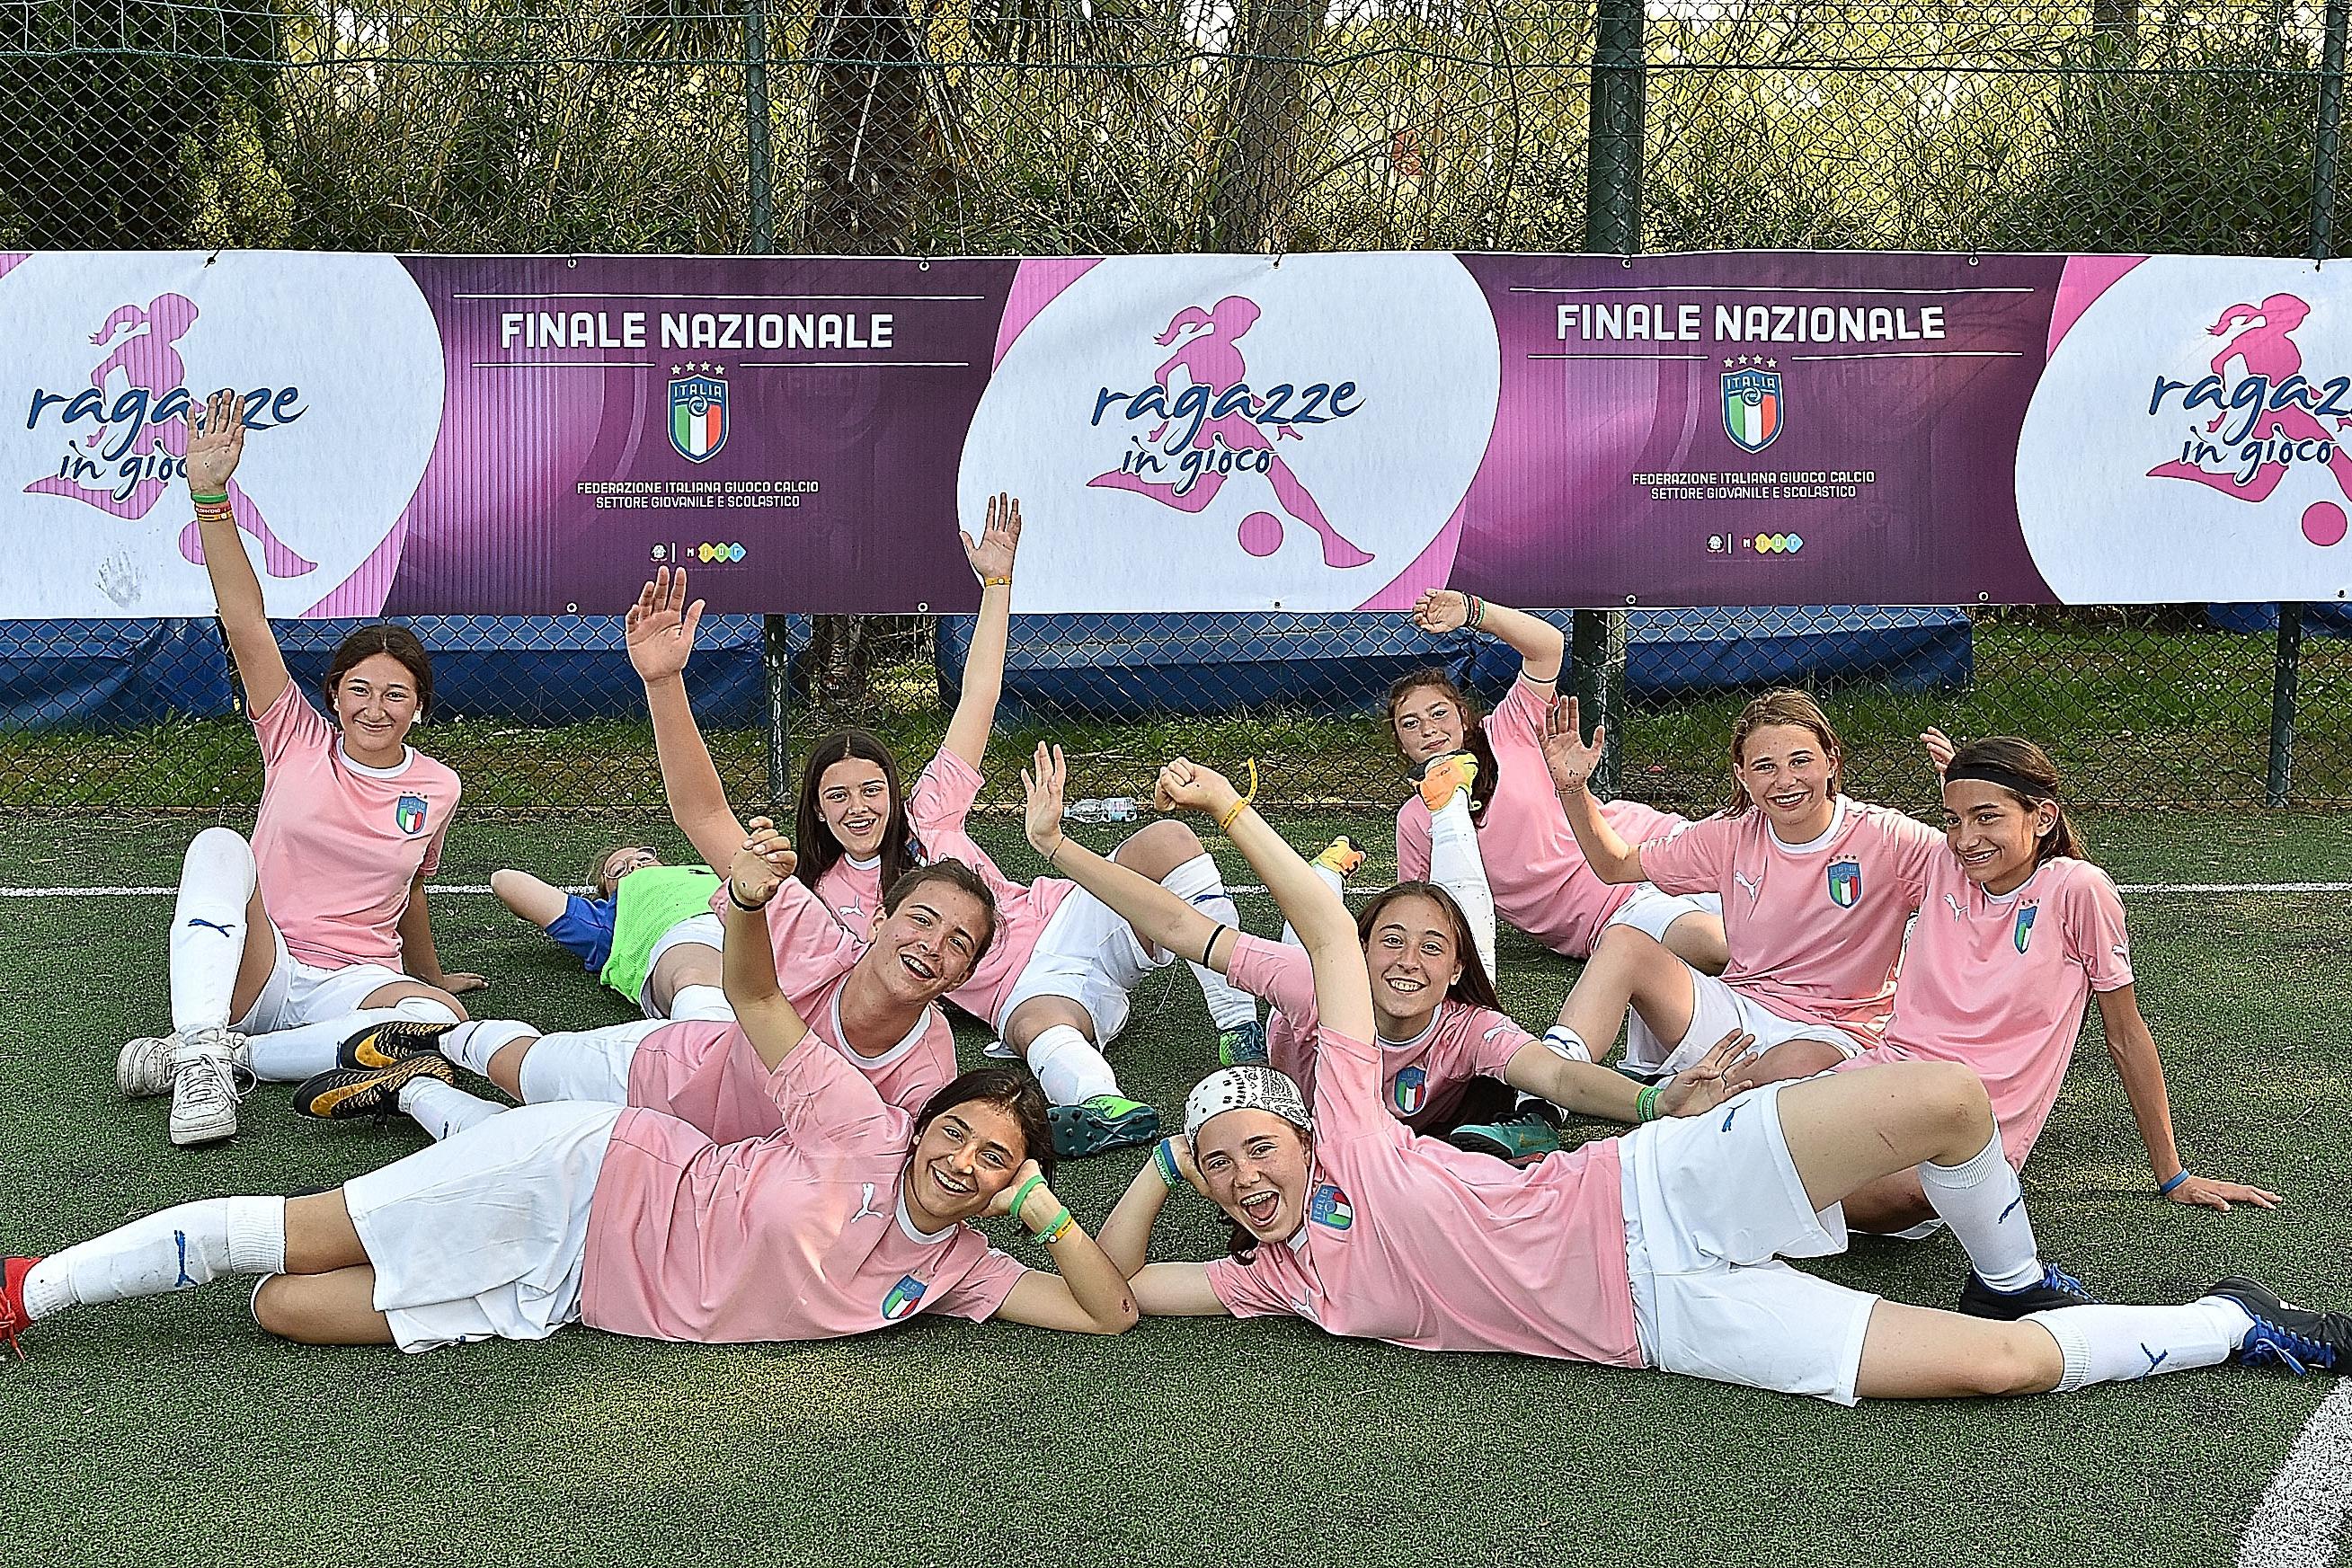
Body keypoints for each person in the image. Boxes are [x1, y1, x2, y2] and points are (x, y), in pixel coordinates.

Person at [1080, 758, 2348, 1403]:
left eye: (1262, 1145)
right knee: (1999, 1375)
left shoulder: (1351, 1121)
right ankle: (2235, 1321)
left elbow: (1311, 910)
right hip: (1663, 1331)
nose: (1251, 1176)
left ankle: (2010, 1277)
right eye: (1226, 1165)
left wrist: (1223, 810)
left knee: (1952, 1101)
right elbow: (1120, 1283)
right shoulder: (1270, 1279)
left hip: (1654, 1193)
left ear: (1306, 1136)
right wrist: (1164, 1158)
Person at [1, 823, 1136, 1355]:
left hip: (567, 1295)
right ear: (918, 1125)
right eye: (959, 1139)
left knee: (283, 1312)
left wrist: (1038, 1204)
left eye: (991, 1161)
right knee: (297, 1237)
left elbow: (1105, 1306)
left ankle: (410, 1092)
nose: (960, 1162)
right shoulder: (856, 1122)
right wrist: (741, 900)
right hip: (594, 1166)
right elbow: (756, 1003)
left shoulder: (957, 1266)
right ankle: (29, 1286)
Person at [625, 493, 1259, 1157]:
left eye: (872, 789)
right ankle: (1097, 1105)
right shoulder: (817, 902)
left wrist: (996, 583)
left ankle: (1239, 1025)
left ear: (895, 794)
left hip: (1073, 918)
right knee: (1045, 1032)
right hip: (1022, 991)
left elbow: (980, 692)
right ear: (815, 809)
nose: (858, 806)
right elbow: (705, 817)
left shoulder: (931, 812)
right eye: (836, 796)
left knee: (1168, 842)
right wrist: (664, 682)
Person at [1018, 745, 1731, 1156]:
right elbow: (1179, 926)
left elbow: (1562, 1075)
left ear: (1455, 972)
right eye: (1389, 940)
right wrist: (1057, 846)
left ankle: (1519, 1129)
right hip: (1318, 1119)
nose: (1407, 960)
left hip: (1401, 1147)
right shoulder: (1310, 983)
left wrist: (1651, 1102)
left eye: (1430, 949)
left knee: (1498, 1109)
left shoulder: (1465, 1027)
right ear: (1358, 952)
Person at [115, 387, 482, 1148]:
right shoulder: (292, 734)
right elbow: (244, 621)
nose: (374, 707)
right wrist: (210, 496)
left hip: (355, 984)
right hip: (266, 964)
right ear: (334, 696)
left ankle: (213, 1059)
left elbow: (412, 886)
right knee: (218, 845)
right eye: (359, 689)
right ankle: (207, 1049)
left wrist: (432, 977)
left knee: (441, 1026)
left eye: (395, 694)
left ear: (418, 708)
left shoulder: (438, 785)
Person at [1796, 732, 2283, 1232]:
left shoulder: (2077, 891)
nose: (1966, 839)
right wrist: (1967, 790)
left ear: (2044, 818)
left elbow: (2126, 1036)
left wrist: (2172, 1175)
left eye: (1987, 817)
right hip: (1883, 1079)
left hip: (1964, 1137)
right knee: (1768, 1126)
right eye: (1954, 820)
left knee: (1870, 1186)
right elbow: (1848, 824)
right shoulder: (1944, 862)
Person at [294, 848, 997, 1147]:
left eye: (958, 943)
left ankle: (415, 1089)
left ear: (962, 976)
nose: (934, 945)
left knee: (529, 1144)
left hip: (706, 1153)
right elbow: (706, 814)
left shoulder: (929, 1065)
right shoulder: (818, 941)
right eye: (921, 919)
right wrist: (662, 680)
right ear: (877, 921)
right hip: (670, 1059)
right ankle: (440, 1042)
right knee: (527, 1070)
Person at [1385, 590, 1727, 1158]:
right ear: (1399, 744)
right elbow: (1425, 913)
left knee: (1766, 906)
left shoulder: (1509, 730)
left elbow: (1547, 646)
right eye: (1409, 723)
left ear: (1465, 718)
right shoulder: (1419, 819)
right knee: (1716, 947)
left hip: (1648, 851)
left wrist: (1472, 612)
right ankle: (1541, 1108)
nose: (1427, 728)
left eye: (1438, 712)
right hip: (1615, 915)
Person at [1538, 687, 1941, 1086]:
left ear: (1831, 762)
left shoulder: (1886, 836)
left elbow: (1976, 876)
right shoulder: (1730, 836)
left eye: (1800, 761)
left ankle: (1695, 1097)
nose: (1785, 781)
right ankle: (1544, 1090)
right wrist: (1572, 790)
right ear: (1742, 775)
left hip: (1833, 1031)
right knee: (1625, 942)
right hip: (1741, 1011)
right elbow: (1616, 865)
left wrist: (1973, 800)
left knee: (1795, 1067)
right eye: (1765, 767)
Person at [489, 846, 731, 1023]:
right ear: (607, 892)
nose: (635, 865)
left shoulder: (706, 870)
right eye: (618, 870)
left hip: (750, 917)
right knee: (693, 976)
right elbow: (505, 881)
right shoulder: (611, 916)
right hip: (681, 938)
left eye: (643, 857)